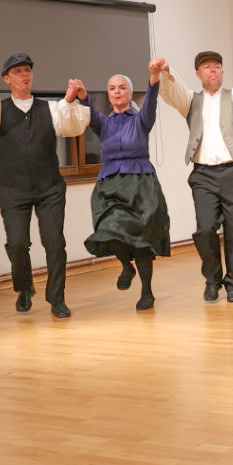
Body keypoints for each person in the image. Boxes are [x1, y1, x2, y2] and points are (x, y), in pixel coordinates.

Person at [0, 52, 89, 319]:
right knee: (17, 244)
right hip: (13, 189)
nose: (25, 75)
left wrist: (70, 99)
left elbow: (73, 125)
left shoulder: (50, 109)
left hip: (49, 188)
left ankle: (57, 299)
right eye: (18, 71)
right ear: (7, 79)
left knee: (54, 242)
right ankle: (24, 287)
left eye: (28, 71)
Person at [59, 70, 169, 311]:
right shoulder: (103, 123)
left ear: (130, 93)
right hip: (110, 185)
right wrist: (82, 95)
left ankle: (147, 292)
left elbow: (151, 100)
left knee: (141, 241)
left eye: (122, 87)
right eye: (112, 88)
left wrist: (153, 79)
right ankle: (127, 266)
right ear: (108, 95)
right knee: (108, 230)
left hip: (140, 185)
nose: (117, 92)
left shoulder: (141, 119)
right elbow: (88, 111)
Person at [158, 50, 233, 302]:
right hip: (203, 175)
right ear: (198, 73)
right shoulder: (191, 101)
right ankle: (212, 279)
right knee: (205, 229)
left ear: (222, 71)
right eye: (206, 67)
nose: (212, 70)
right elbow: (173, 90)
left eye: (216, 66)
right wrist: (167, 70)